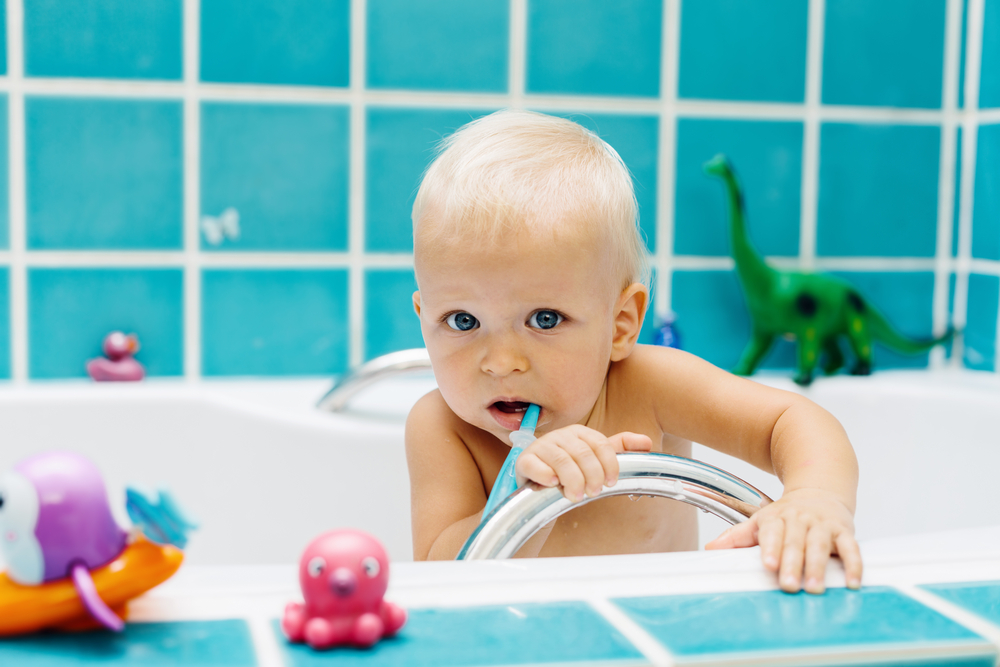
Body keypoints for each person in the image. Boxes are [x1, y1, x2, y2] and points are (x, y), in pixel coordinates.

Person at [405, 109, 861, 595]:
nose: (500, 362)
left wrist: (814, 498)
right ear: (423, 316)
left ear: (621, 324)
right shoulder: (442, 428)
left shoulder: (650, 386)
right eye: (462, 321)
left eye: (544, 319)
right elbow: (441, 577)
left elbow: (792, 420)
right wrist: (519, 500)